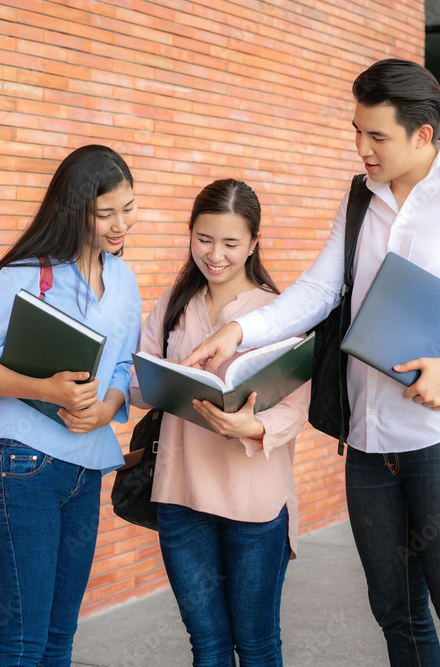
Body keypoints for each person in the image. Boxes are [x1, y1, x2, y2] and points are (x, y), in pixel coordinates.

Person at [183, 59, 440, 666]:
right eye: (357, 132)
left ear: (424, 134)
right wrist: (240, 328)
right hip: (368, 442)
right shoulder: (360, 199)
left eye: (377, 137)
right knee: (397, 616)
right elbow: (318, 292)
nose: (362, 148)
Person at [0, 145, 142, 666]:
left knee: (59, 636)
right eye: (106, 214)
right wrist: (47, 389)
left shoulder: (124, 280)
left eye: (129, 207)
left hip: (87, 467)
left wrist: (108, 407)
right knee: (23, 640)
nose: (121, 225)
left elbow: (122, 367)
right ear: (76, 210)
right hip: (21, 465)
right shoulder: (24, 275)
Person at [129, 178, 310, 666]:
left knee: (255, 646)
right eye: (204, 239)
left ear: (253, 243)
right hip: (180, 496)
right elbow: (138, 382)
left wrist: (250, 428)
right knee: (207, 647)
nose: (216, 255)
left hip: (254, 502)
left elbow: (295, 410)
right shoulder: (173, 305)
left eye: (231, 243)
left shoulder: (278, 312)